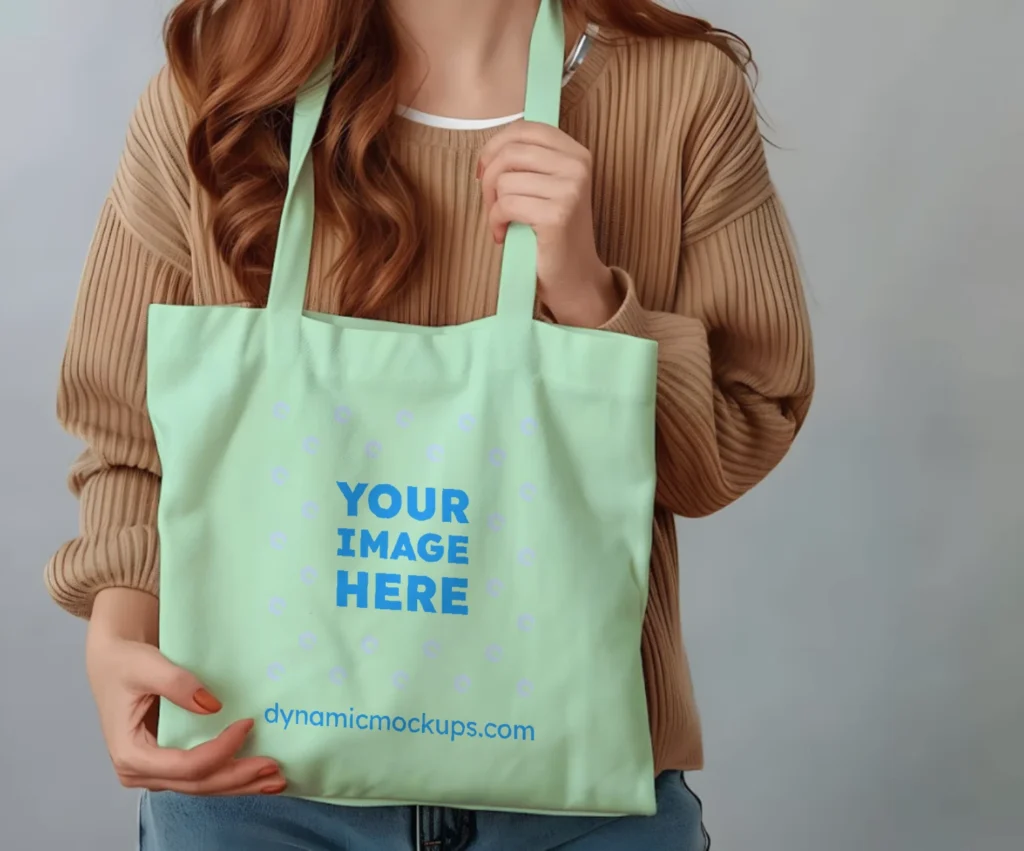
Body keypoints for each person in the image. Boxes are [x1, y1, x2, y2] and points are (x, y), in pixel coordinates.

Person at [46, 0, 813, 848]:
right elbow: (127, 437)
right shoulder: (221, 93)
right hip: (253, 788)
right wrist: (118, 631)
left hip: (575, 804)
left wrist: (592, 299)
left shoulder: (680, 94)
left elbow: (738, 435)